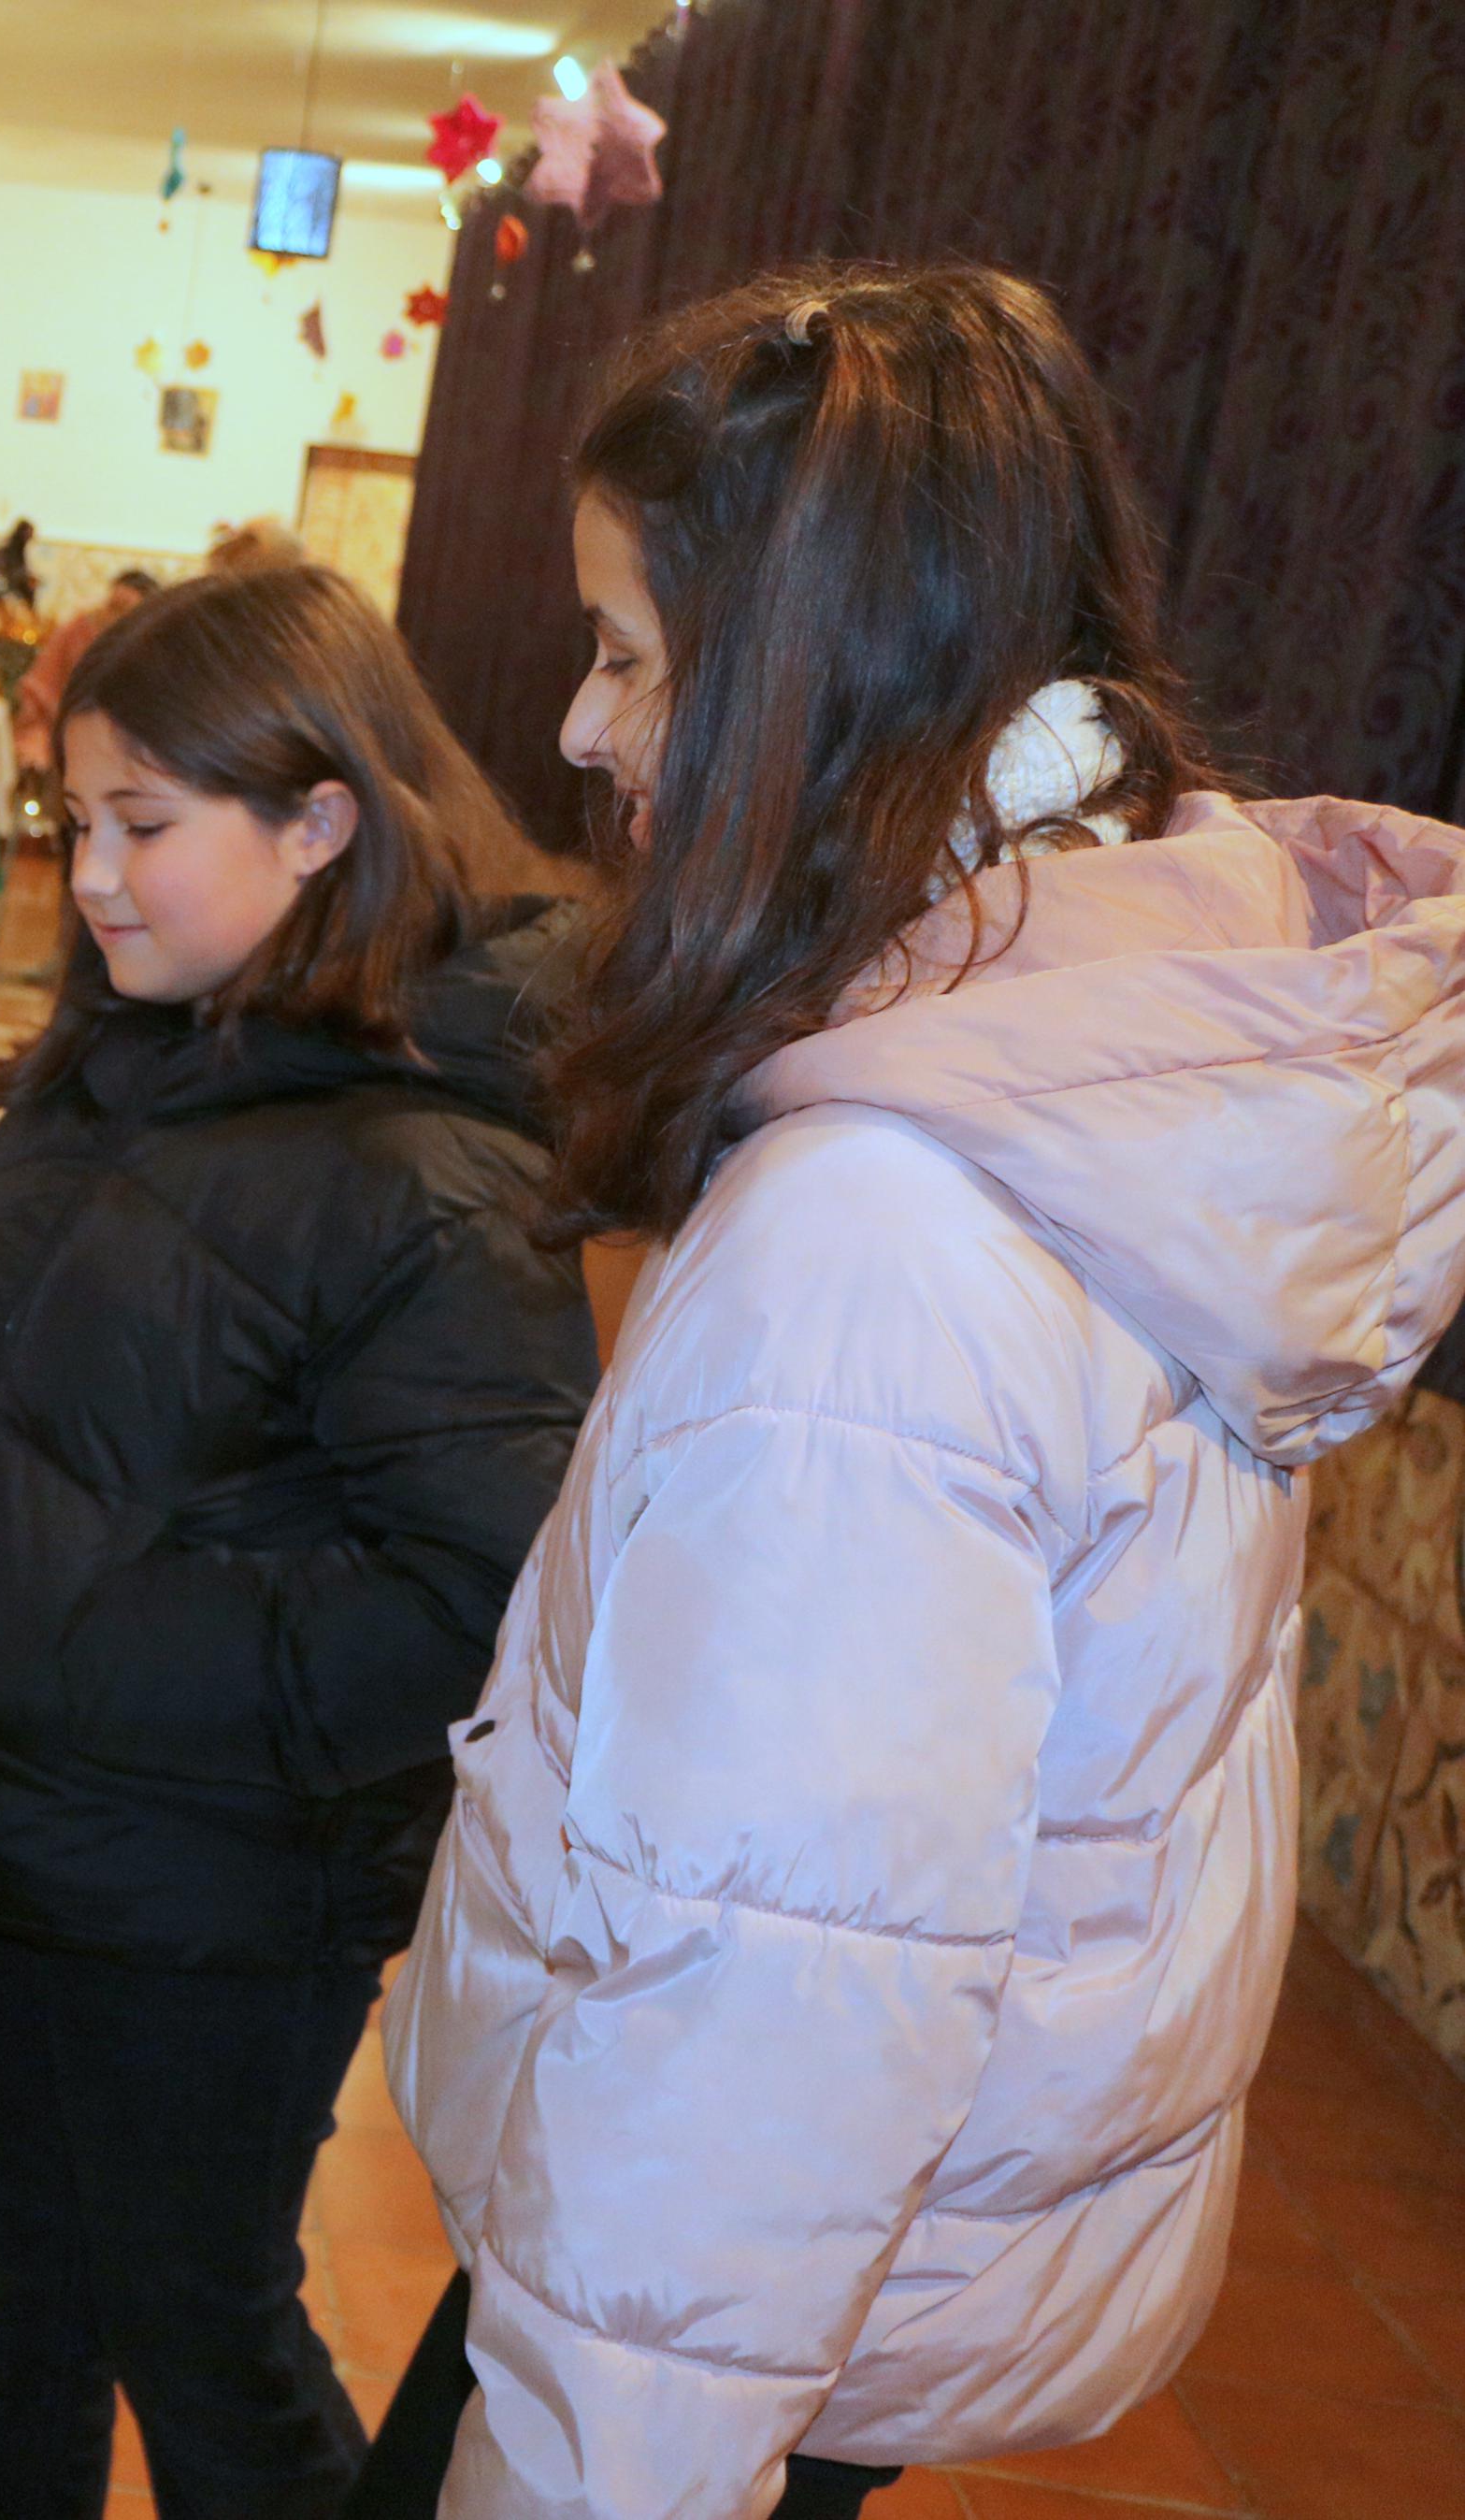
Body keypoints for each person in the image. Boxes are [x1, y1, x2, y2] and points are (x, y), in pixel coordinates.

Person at [361, 264, 1465, 2520]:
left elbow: (760, 2006)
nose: (574, 729)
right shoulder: (1106, 1056)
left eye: (627, 656)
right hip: (839, 2294)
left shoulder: (873, 1239)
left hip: (693, 2338)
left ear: (810, 678)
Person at [0, 565, 598, 2520]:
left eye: (140, 825)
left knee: (198, 2335)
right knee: (13, 2311)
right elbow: (12, 1389)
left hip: (212, 1889)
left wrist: (46, 1638)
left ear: (317, 823)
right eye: (73, 819)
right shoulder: (129, 1057)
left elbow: (466, 1597)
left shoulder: (431, 1167)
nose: (90, 877)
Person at [10, 566, 160, 776]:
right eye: (112, 606)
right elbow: (40, 690)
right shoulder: (76, 632)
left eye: (124, 609)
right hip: (60, 741)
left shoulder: (151, 654)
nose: (113, 617)